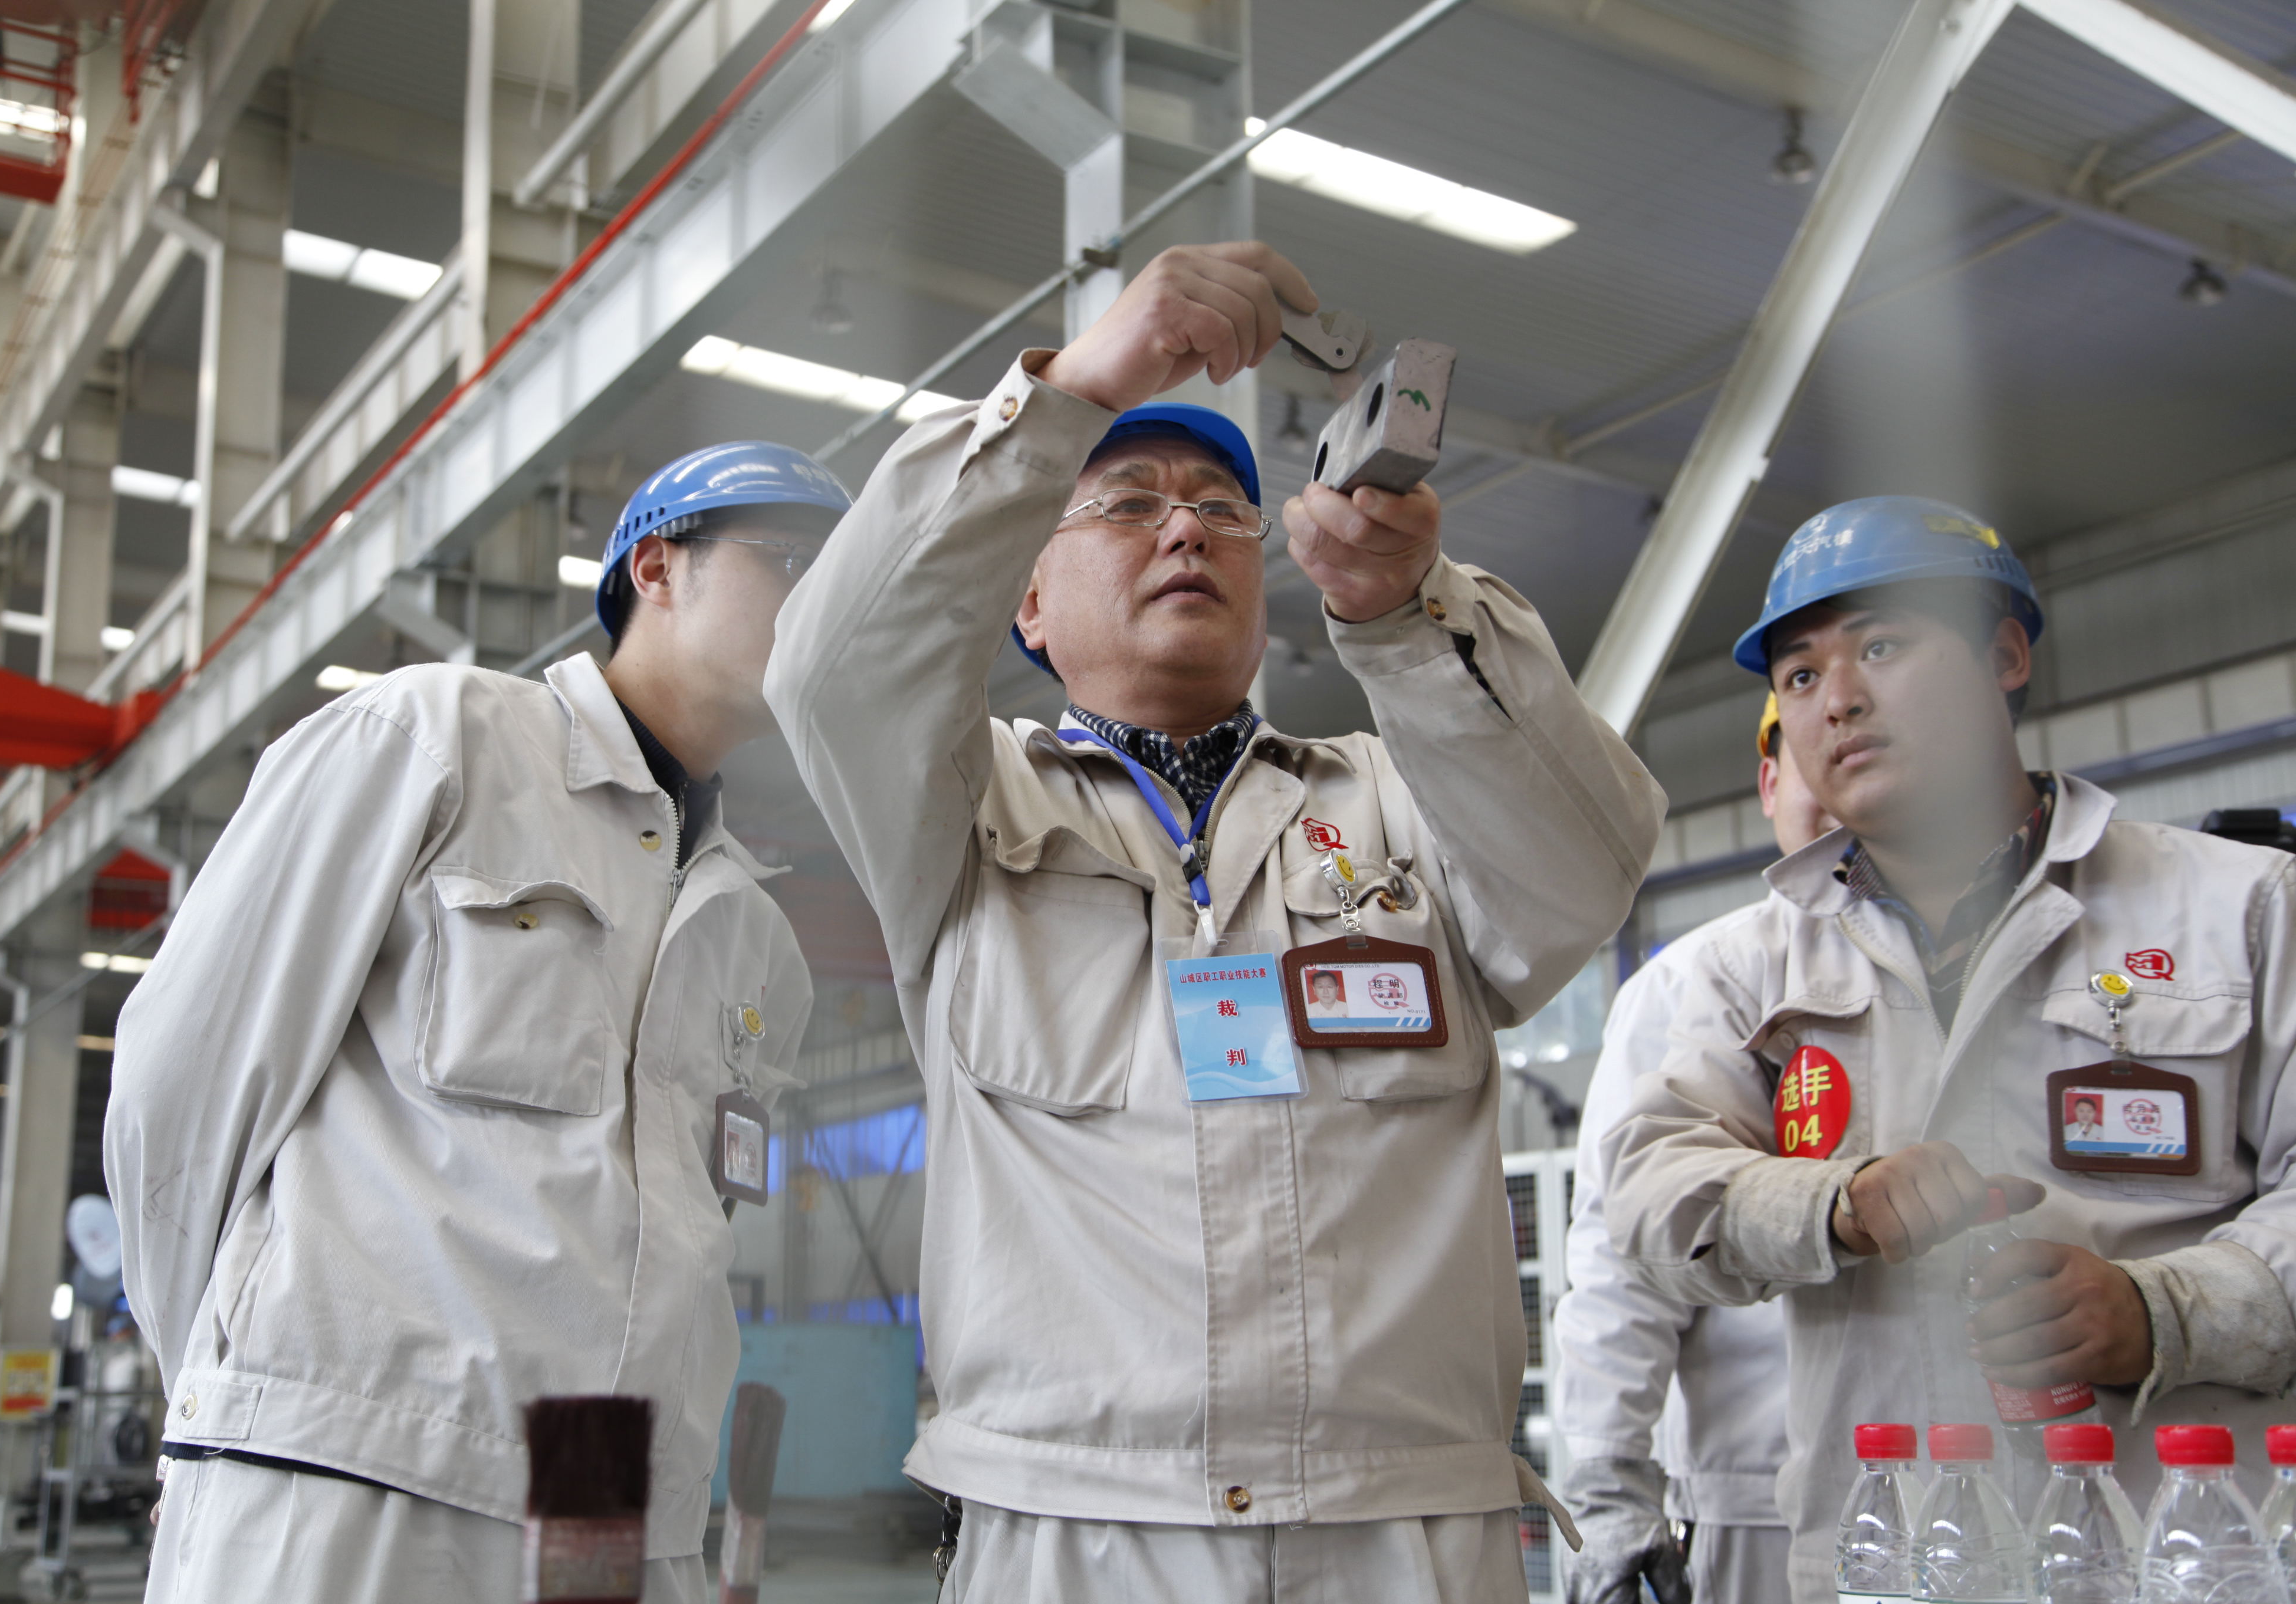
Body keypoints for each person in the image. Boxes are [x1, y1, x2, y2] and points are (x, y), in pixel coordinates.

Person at [766, 241, 1666, 1601]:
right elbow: (835, 669)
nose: (1186, 529)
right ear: (1025, 599)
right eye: (1127, 503)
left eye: (1223, 512)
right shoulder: (960, 814)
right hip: (1080, 1534)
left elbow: (1586, 868)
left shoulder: (1402, 798)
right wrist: (1074, 389)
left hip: (1403, 1536)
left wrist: (1415, 618)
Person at [104, 443, 848, 1603]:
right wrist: (220, 1389)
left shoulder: (751, 933)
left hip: (607, 1498)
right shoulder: (435, 740)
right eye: (792, 559)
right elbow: (184, 1084)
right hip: (352, 1465)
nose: (823, 600)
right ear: (657, 567)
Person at [1600, 496, 2296, 1597]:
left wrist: (2162, 1311)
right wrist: (1833, 1203)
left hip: (2183, 1552)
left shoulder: (2244, 911)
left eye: (1882, 646)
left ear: (2006, 655)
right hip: (1889, 1553)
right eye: (1800, 675)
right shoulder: (1745, 972)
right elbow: (1647, 1197)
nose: (1840, 698)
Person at [1555, 693, 1834, 1604]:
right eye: (1805, 756)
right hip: (1758, 1497)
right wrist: (1608, 1482)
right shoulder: (1693, 985)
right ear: (1770, 784)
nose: (1834, 776)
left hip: (1990, 1474)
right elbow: (1622, 1260)